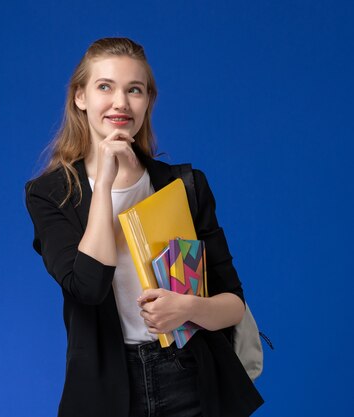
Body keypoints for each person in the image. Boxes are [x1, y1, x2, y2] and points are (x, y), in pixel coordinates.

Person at [24, 38, 264, 417]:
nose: (120, 102)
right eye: (105, 86)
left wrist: (187, 307)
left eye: (134, 90)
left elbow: (233, 305)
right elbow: (88, 287)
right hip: (106, 389)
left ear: (147, 100)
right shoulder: (51, 194)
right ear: (80, 97)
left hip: (190, 377)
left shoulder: (184, 186)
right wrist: (102, 186)